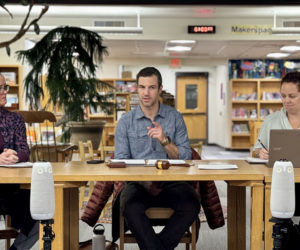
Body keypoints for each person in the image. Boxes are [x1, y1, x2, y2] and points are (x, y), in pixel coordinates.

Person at [114, 67, 200, 250]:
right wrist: (142, 180)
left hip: (172, 183)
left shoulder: (175, 118)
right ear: (136, 88)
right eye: (142, 87)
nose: (146, 93)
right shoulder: (125, 122)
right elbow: (121, 161)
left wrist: (164, 140)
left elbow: (186, 156)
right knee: (128, 206)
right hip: (138, 184)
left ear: (160, 89)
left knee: (192, 203)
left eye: (151, 87)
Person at [253, 71, 300, 217]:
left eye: (292, 96)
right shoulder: (271, 120)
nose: (287, 100)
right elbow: (255, 150)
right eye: (283, 96)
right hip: (278, 181)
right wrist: (259, 152)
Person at [0, 74, 38, 250]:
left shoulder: (15, 119)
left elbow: (24, 150)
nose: (4, 92)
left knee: (43, 206)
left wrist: (14, 156)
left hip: (11, 188)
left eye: (4, 87)